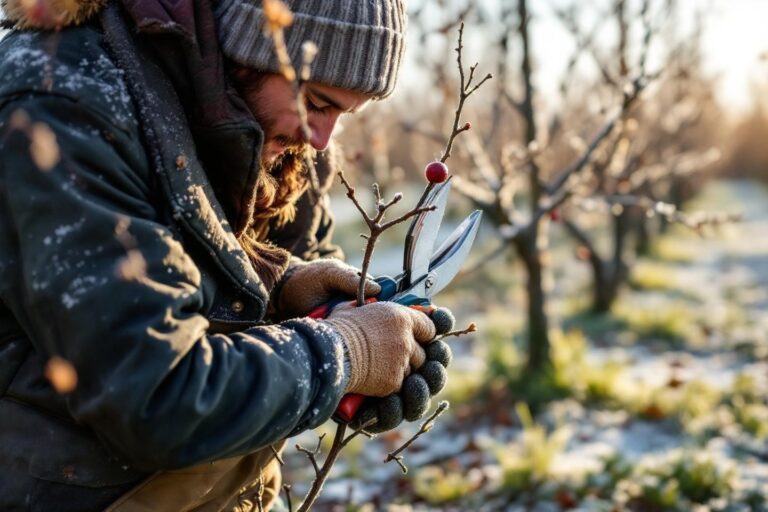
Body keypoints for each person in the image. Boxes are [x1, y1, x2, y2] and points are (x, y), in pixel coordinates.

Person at [0, 0, 445, 510]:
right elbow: (155, 398)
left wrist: (282, 287)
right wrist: (341, 356)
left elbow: (192, 262)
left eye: (344, 115)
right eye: (319, 103)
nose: (321, 141)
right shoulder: (64, 105)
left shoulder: (264, 132)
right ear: (250, 46)